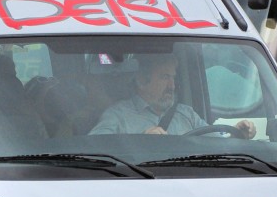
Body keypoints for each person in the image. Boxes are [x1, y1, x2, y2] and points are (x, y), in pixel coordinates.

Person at [89, 55, 256, 138]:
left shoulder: (186, 114)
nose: (172, 86)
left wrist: (235, 134)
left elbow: (216, 144)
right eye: (164, 77)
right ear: (142, 81)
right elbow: (93, 150)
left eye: (173, 78)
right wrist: (139, 141)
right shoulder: (118, 115)